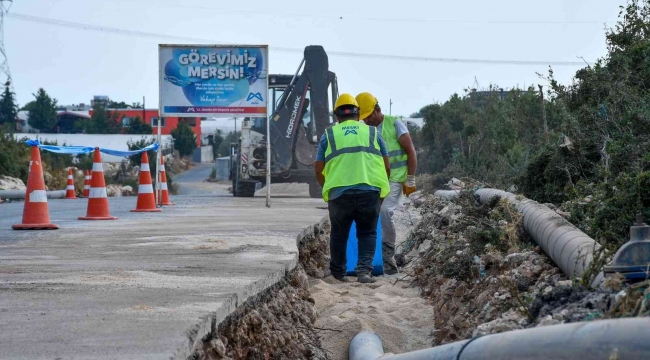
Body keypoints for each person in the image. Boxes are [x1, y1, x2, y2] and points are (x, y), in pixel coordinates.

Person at [314, 93, 390, 283]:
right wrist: (380, 191)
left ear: (337, 116)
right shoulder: (374, 133)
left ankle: (338, 273)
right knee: (367, 232)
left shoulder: (328, 135)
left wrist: (327, 188)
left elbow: (318, 167)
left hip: (339, 194)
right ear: (358, 114)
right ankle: (364, 272)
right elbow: (386, 165)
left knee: (339, 234)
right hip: (369, 191)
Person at [356, 92, 417, 275]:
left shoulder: (394, 123)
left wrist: (410, 178)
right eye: (363, 118)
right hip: (375, 180)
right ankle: (372, 257)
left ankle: (388, 256)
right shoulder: (366, 130)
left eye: (368, 117)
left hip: (395, 178)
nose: (366, 121)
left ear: (378, 110)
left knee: (384, 212)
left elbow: (411, 151)